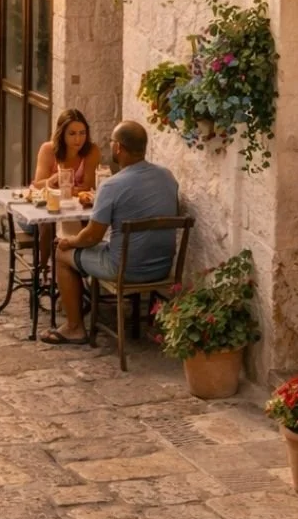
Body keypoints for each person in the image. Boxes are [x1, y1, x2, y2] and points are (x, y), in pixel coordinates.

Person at [43, 120, 179, 346]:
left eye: (112, 142)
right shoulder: (168, 177)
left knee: (61, 254)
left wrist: (69, 242)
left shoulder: (112, 185)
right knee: (100, 246)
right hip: (162, 267)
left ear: (119, 148)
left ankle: (74, 328)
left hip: (124, 269)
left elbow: (91, 237)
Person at [20, 109, 103, 261]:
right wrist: (52, 180)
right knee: (47, 224)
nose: (78, 139)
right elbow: (38, 184)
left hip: (71, 211)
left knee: (87, 225)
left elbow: (88, 186)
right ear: (62, 133)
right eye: (72, 134)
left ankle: (74, 268)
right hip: (39, 211)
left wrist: (66, 190)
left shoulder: (92, 151)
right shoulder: (48, 150)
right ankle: (44, 270)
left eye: (82, 133)